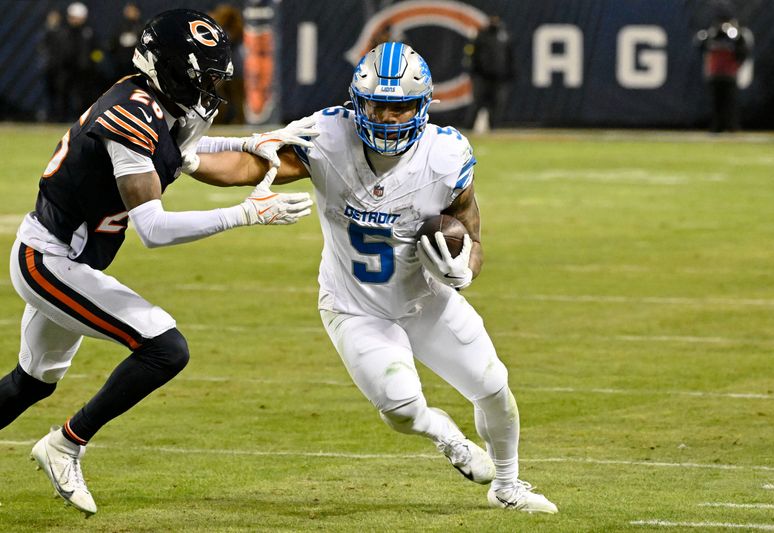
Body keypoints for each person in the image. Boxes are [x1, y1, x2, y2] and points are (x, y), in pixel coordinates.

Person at [0, 9, 315, 516]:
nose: (210, 88)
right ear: (170, 69)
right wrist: (246, 214)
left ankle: (63, 443)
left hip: (74, 260)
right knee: (165, 348)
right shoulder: (129, 116)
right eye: (202, 76)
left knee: (31, 383)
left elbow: (179, 151)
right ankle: (66, 443)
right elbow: (153, 228)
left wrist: (246, 143)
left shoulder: (158, 103)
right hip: (48, 259)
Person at [267, 42, 558, 514]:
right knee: (402, 409)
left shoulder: (446, 154)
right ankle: (444, 433)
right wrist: (199, 154)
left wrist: (463, 269)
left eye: (399, 107)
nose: (386, 117)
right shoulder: (328, 136)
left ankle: (507, 486)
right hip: (355, 306)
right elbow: (247, 168)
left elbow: (473, 238)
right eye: (375, 106)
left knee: (494, 388)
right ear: (356, 104)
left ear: (422, 106)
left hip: (425, 299)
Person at [695, 10, 752, 132]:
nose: (723, 26)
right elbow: (700, 45)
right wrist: (711, 34)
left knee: (730, 102)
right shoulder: (712, 35)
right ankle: (717, 126)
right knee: (716, 102)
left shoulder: (736, 36)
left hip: (729, 74)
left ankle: (732, 126)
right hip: (715, 74)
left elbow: (743, 50)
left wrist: (737, 63)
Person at [464, 16, 515, 132]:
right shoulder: (481, 36)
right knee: (477, 102)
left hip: (499, 77)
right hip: (481, 76)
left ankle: (494, 127)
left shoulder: (504, 36)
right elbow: (471, 54)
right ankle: (469, 127)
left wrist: (510, 73)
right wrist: (474, 71)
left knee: (497, 103)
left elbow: (510, 56)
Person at [108, 2, 143, 81]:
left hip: (137, 63)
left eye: (133, 10)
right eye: (129, 10)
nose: (131, 13)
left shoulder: (141, 26)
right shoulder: (120, 27)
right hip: (121, 64)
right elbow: (112, 44)